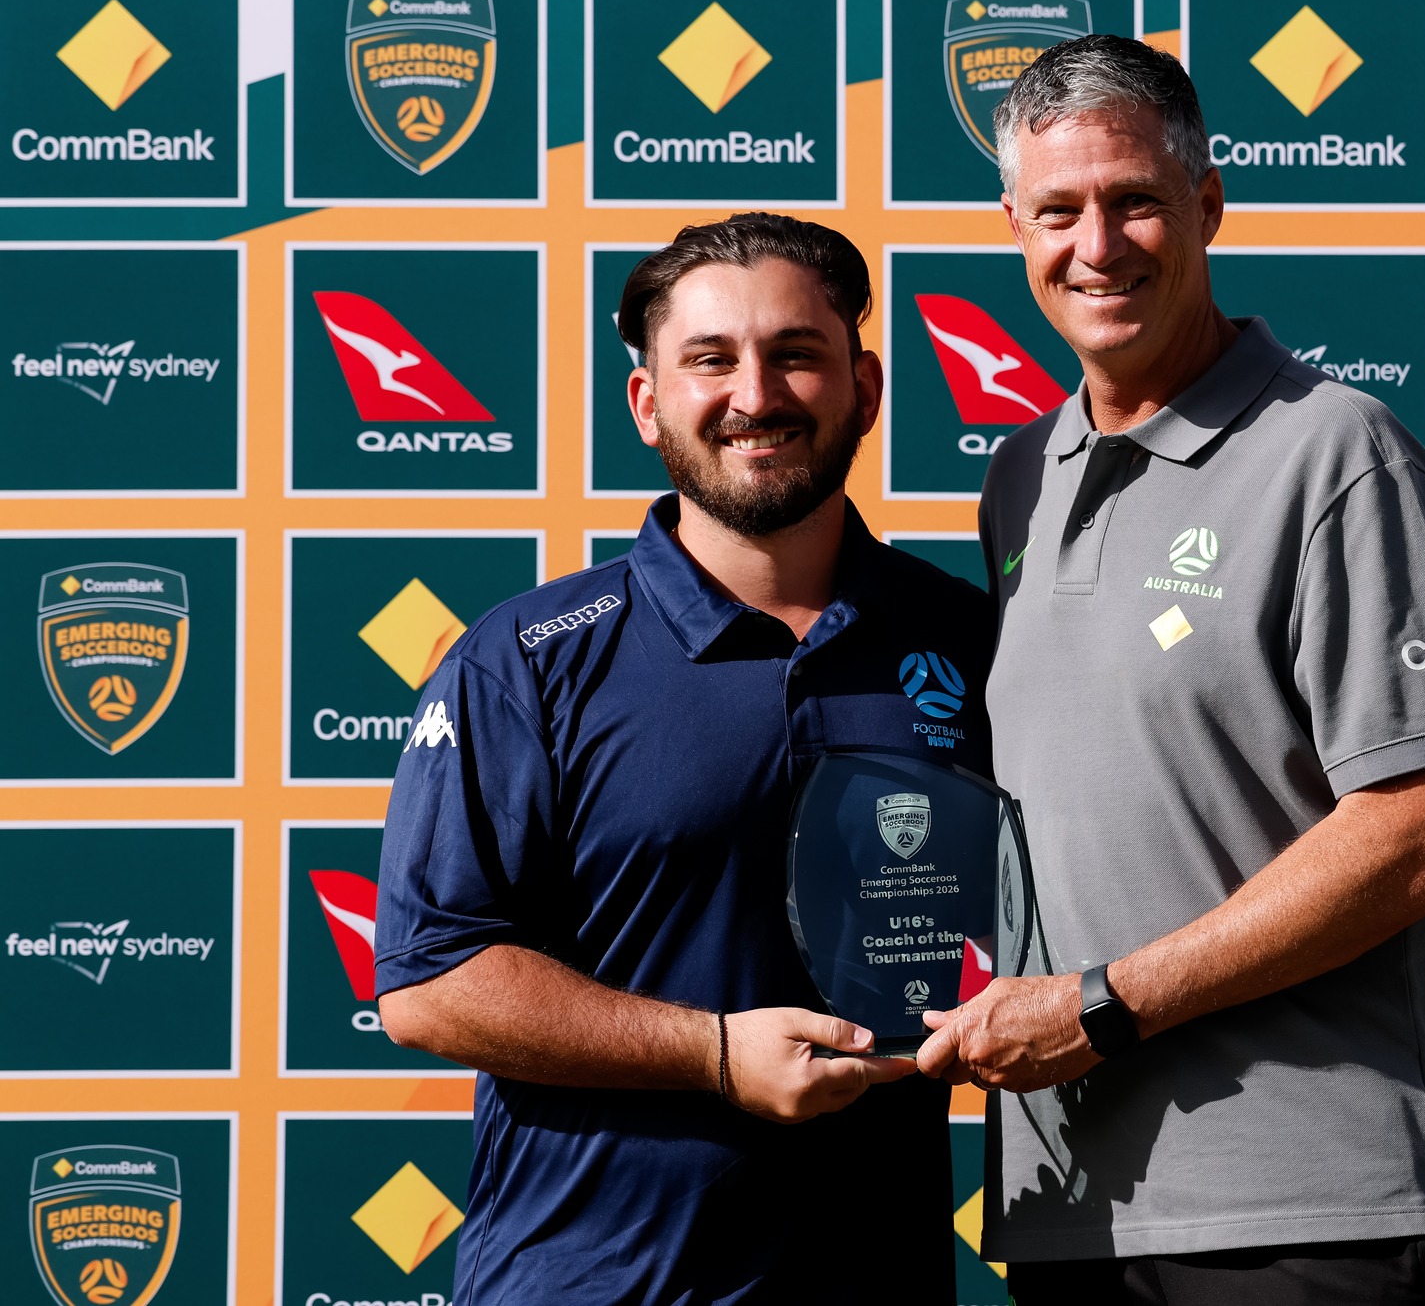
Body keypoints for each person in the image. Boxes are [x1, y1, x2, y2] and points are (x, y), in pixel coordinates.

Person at [916, 35, 1425, 1304]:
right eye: (1057, 211)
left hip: (1313, 1215)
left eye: (1135, 202)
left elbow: (1410, 840)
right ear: (1011, 226)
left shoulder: (1339, 453)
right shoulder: (1021, 477)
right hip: (1073, 1214)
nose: (1097, 246)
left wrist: (1103, 1006)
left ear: (1208, 206)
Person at [374, 213, 987, 1304]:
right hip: (590, 1285)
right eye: (709, 360)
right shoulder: (524, 661)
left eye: (796, 353)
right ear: (647, 403)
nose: (754, 395)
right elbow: (431, 982)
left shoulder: (973, 643)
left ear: (867, 388)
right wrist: (710, 1053)